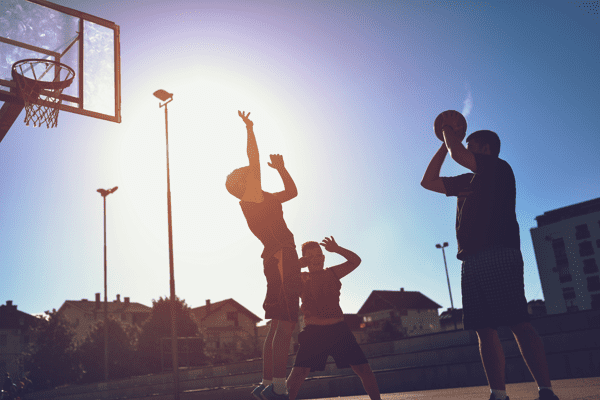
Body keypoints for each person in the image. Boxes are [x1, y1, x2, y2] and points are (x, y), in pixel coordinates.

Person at [421, 127, 559, 400]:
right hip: (470, 258)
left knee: (519, 322)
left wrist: (449, 132)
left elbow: (457, 152)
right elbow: (428, 181)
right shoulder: (466, 181)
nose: (462, 147)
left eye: (468, 143)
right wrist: (442, 145)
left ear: (485, 149)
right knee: (484, 329)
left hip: (499, 251)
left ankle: (546, 391)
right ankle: (498, 394)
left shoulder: (498, 169)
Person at [226, 111, 301, 400]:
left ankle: (266, 383)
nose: (251, 171)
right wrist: (250, 129)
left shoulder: (265, 198)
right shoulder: (250, 198)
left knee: (276, 326)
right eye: (246, 174)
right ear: (244, 184)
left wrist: (281, 168)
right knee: (286, 325)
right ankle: (278, 390)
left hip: (277, 258)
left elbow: (292, 191)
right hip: (281, 256)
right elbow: (254, 158)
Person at [285, 236, 381, 400]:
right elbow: (281, 278)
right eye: (310, 256)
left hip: (339, 331)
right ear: (305, 260)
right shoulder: (300, 278)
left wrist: (337, 249)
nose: (316, 258)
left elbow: (355, 261)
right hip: (314, 333)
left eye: (319, 254)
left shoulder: (332, 273)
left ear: (323, 257)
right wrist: (295, 265)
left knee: (364, 370)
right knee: (299, 373)